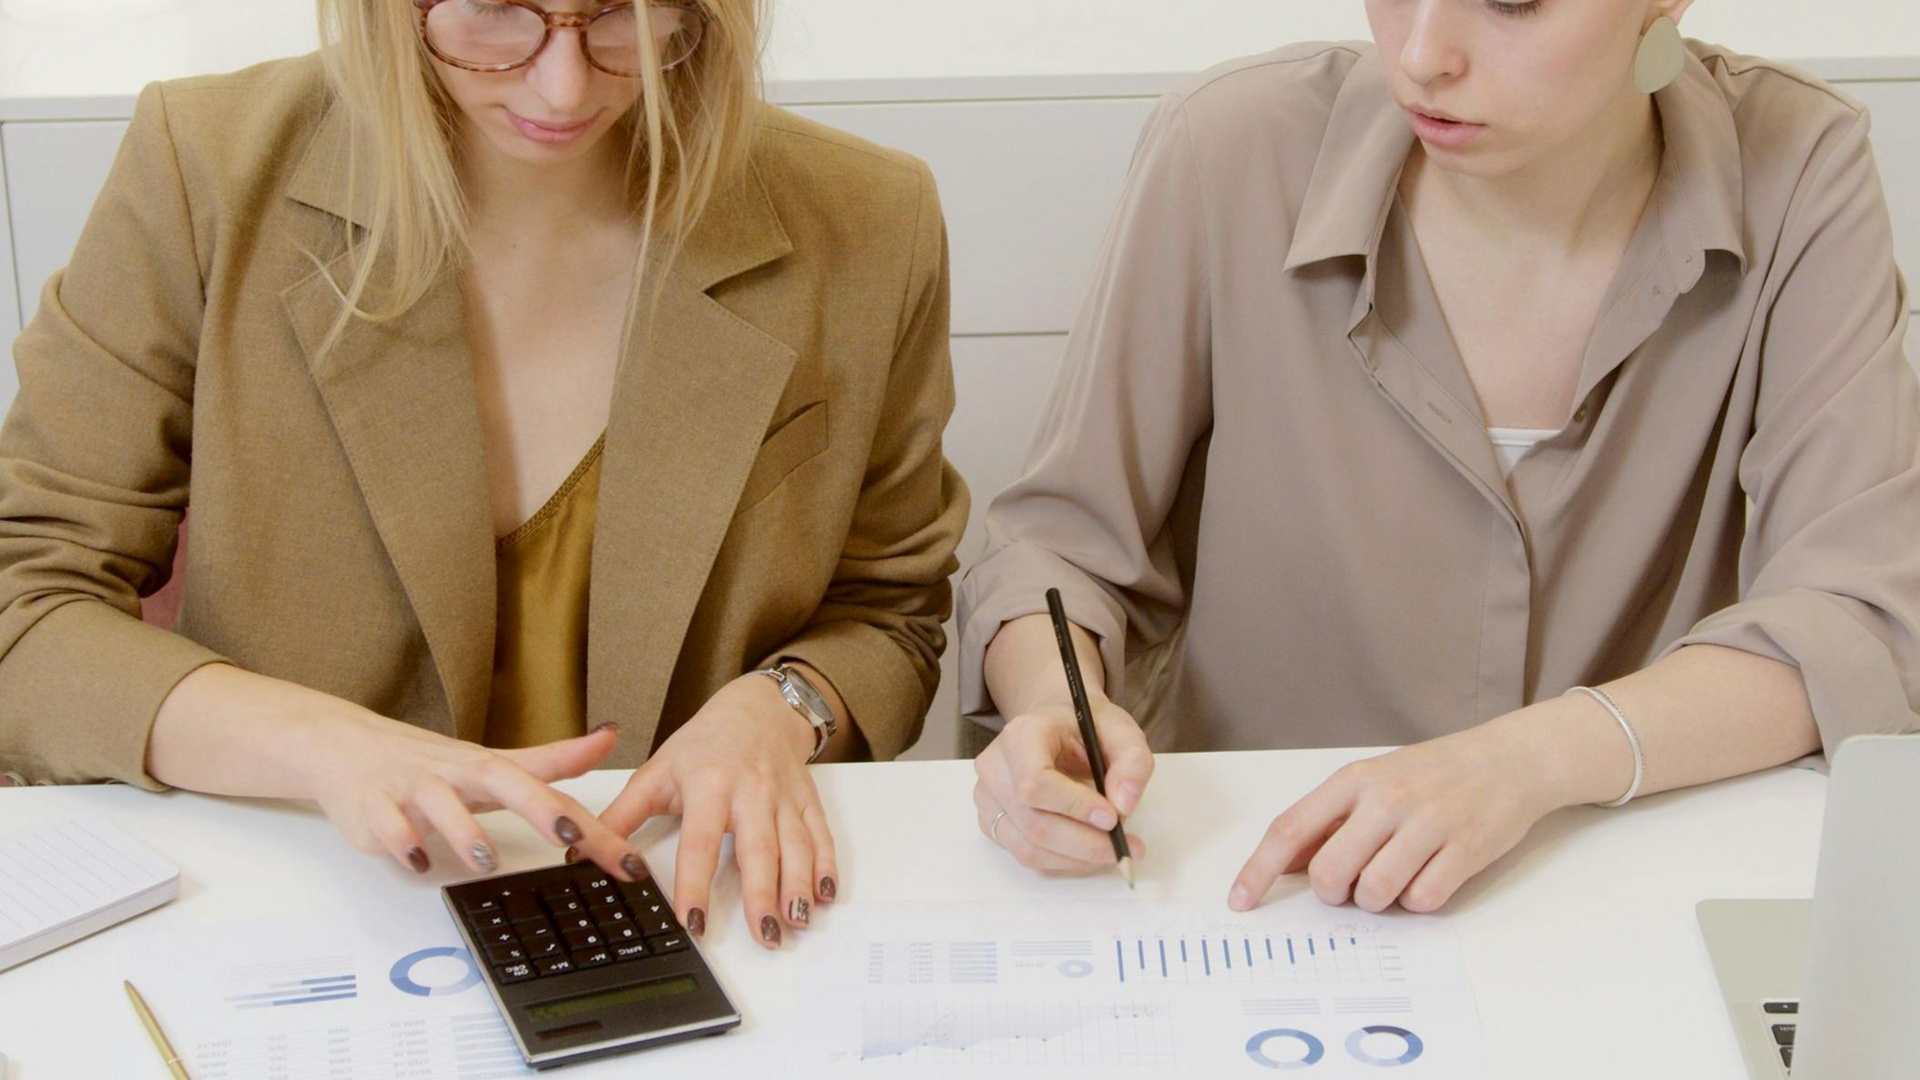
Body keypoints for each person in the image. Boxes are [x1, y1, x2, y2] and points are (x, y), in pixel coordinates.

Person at [0, 0, 967, 949]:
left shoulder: (871, 219)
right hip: (301, 896)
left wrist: (781, 706)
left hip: (685, 907)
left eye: (621, 13)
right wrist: (322, 746)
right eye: (497, 13)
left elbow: (889, 609)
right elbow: (24, 606)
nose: (564, 81)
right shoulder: (203, 166)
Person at [960, 0, 1919, 915]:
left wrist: (1530, 764)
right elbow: (1057, 553)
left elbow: (1858, 621)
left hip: (1620, 888)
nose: (1421, 55)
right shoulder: (1230, 147)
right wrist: (1056, 702)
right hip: (1255, 888)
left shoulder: (1800, 165)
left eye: (1511, 2)